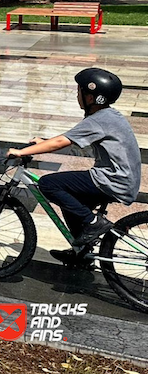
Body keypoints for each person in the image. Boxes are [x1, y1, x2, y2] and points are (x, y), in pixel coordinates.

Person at [8, 68, 141, 268]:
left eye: (79, 91)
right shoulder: (108, 115)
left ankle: (94, 223)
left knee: (49, 184)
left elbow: (62, 141)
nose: (76, 95)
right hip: (122, 178)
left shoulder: (99, 119)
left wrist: (23, 152)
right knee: (71, 202)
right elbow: (72, 140)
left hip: (113, 179)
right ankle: (82, 253)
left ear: (91, 97)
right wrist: (43, 142)